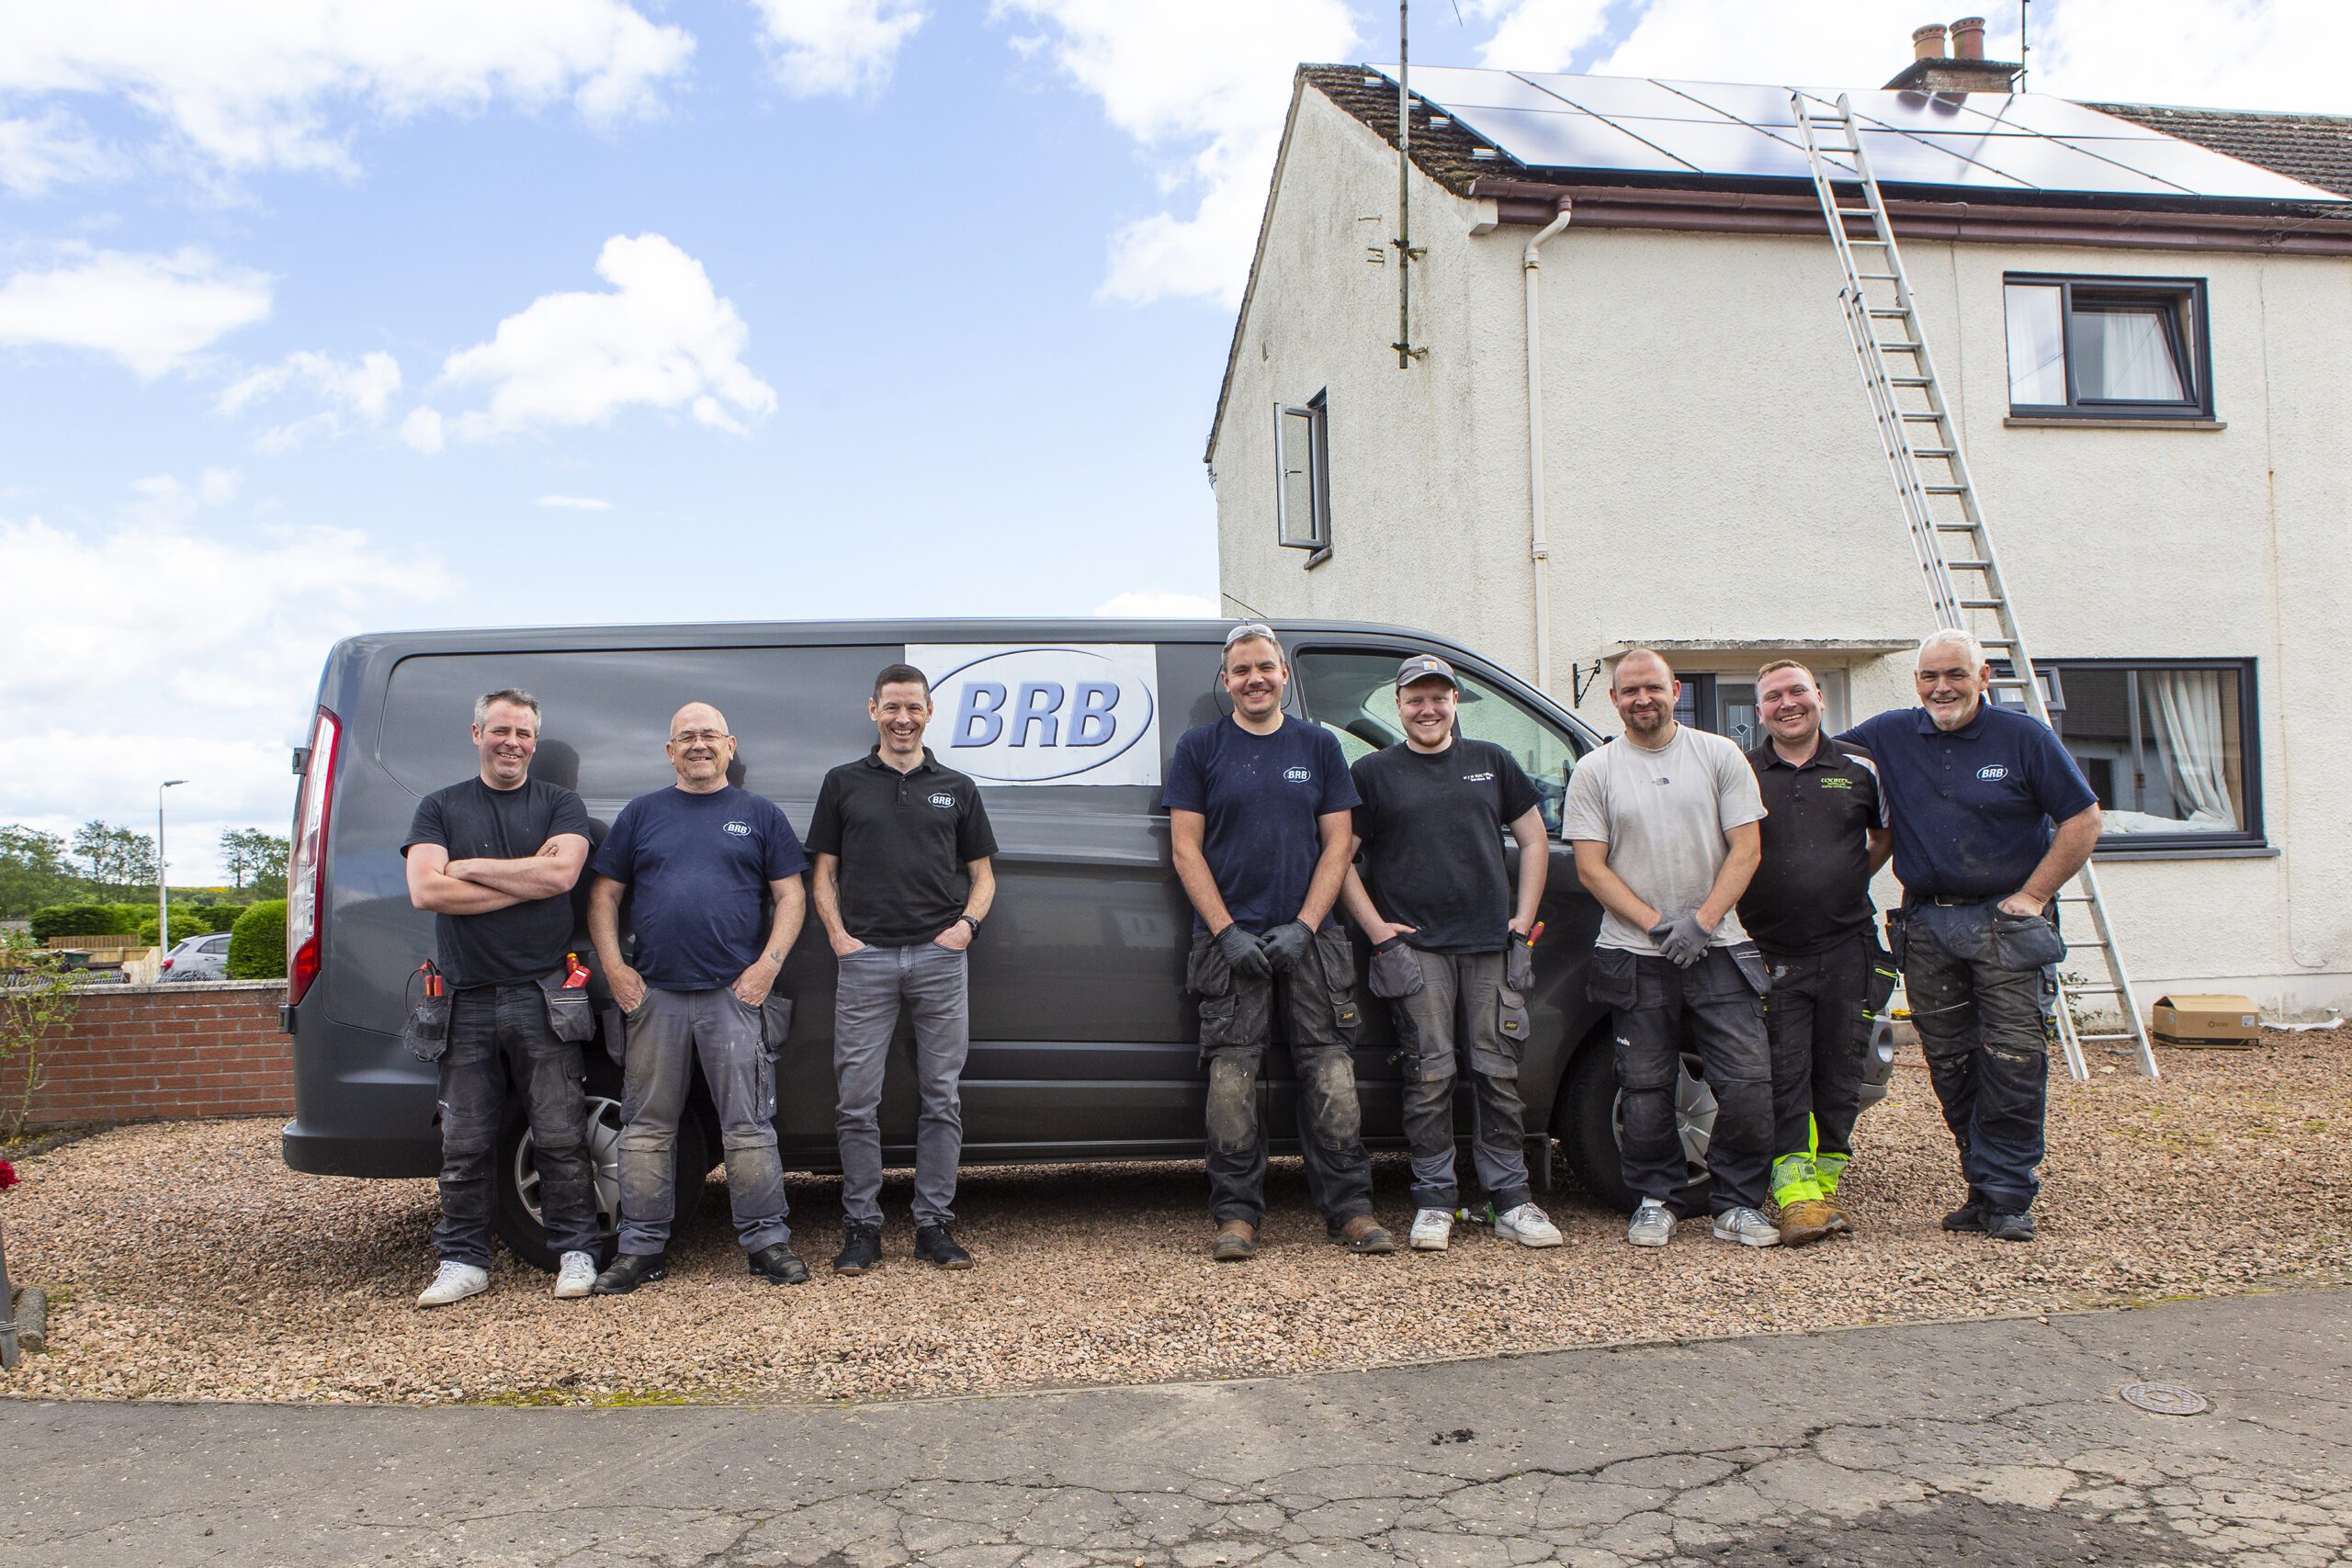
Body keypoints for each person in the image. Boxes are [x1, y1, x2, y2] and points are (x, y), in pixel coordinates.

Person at [1841, 630, 2102, 1244]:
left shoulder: (2024, 738)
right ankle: (1981, 1186)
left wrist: (2034, 895)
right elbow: (1807, 751)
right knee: (1952, 1063)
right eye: (1930, 676)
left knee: (2012, 1060)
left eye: (1955, 674)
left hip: (2006, 924)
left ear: (1984, 676)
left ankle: (2010, 1196)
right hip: (1930, 924)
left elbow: (2084, 818)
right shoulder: (1893, 734)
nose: (1941, 687)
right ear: (1916, 682)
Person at [1166, 623, 1395, 1261]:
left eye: (1265, 667)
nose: (1254, 679)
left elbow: (1339, 844)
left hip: (1311, 941)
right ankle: (1236, 1215)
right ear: (1225, 680)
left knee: (1331, 1075)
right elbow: (1185, 850)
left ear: (1284, 675)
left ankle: (1350, 1208)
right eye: (1241, 670)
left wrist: (1306, 923)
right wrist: (1227, 932)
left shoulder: (1319, 746)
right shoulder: (1199, 747)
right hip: (1227, 940)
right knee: (1232, 1081)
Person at [584, 702, 810, 1293]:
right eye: (686, 737)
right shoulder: (642, 815)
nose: (699, 745)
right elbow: (604, 897)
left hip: (733, 997)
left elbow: (791, 897)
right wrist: (615, 969)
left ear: (730, 745)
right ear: (670, 751)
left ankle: (767, 1241)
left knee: (749, 1127)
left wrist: (767, 967)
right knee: (646, 1129)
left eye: (709, 735)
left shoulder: (759, 814)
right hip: (654, 996)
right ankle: (640, 1250)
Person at [1340, 654, 1562, 1252]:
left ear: (1455, 702)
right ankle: (1435, 1199)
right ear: (1399, 704)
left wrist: (1522, 919)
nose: (1428, 708)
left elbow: (1535, 837)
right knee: (1430, 1073)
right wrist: (1378, 929)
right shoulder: (1374, 772)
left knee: (1497, 1072)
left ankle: (1512, 1198)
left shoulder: (1490, 761)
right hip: (1417, 953)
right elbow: (1338, 858)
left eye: (1439, 697)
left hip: (1491, 945)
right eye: (1416, 698)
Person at [1563, 649, 1780, 1249]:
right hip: (1635, 954)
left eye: (1652, 687)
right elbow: (1591, 867)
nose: (1642, 699)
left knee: (1747, 1081)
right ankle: (1654, 1199)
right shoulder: (1597, 770)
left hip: (1721, 949)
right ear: (1614, 699)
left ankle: (1737, 1202)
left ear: (1675, 689)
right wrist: (1660, 925)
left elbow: (1747, 849)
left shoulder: (1719, 755)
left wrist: (1703, 922)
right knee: (1644, 1084)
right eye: (1629, 690)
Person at [402, 688, 599, 1306]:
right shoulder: (439, 807)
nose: (512, 742)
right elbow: (425, 891)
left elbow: (562, 876)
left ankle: (575, 1250)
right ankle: (463, 1259)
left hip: (545, 993)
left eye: (523, 733)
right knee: (463, 1142)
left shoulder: (560, 804)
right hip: (463, 996)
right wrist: (524, 879)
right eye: (501, 730)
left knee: (561, 1133)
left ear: (536, 743)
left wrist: (465, 867)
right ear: (477, 733)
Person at [808, 663, 998, 1275]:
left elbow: (984, 875)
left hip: (939, 960)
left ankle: (933, 1224)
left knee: (941, 1095)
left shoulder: (958, 787)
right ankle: (862, 1226)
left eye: (913, 707)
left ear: (928, 712)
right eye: (892, 706)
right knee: (857, 1101)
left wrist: (963, 929)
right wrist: (839, 936)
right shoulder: (842, 784)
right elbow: (823, 872)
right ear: (873, 710)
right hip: (865, 960)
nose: (902, 717)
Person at [1737, 660, 1893, 1247]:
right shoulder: (1744, 771)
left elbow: (1882, 836)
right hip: (1771, 950)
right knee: (1786, 1070)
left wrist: (1845, 880)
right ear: (1760, 713)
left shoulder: (1860, 769)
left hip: (1847, 945)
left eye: (1797, 691)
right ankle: (1795, 1193)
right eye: (1773, 697)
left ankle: (1824, 1182)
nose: (1787, 703)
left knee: (1842, 1068)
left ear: (1820, 699)